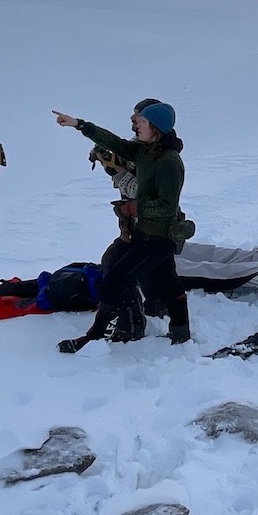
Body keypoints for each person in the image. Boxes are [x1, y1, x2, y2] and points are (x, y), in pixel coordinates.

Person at [53, 101, 191, 350]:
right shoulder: (145, 151)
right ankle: (181, 333)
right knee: (169, 284)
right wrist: (79, 125)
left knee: (114, 279)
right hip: (144, 233)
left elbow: (167, 206)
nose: (135, 123)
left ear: (156, 127)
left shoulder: (169, 162)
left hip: (160, 238)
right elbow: (115, 143)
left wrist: (133, 208)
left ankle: (95, 335)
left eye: (141, 120)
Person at [89, 98, 163, 342]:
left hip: (150, 226)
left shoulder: (155, 152)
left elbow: (141, 190)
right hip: (135, 224)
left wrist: (116, 171)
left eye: (137, 117)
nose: (132, 122)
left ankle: (131, 323)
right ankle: (156, 305)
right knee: (152, 271)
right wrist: (112, 162)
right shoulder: (139, 145)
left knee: (116, 265)